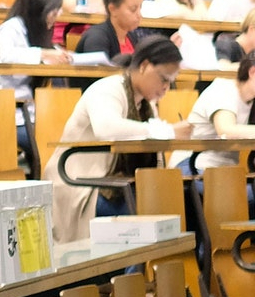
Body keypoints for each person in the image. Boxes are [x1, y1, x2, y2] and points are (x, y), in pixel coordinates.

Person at [43, 35, 191, 243]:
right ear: (145, 66)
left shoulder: (146, 104)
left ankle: (142, 274)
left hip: (117, 184)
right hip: (79, 186)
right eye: (163, 79)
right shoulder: (108, 89)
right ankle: (134, 274)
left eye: (170, 82)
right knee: (144, 220)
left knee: (183, 205)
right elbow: (107, 129)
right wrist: (166, 131)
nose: (166, 87)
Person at [0, 0, 71, 150]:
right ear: (37, 10)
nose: (54, 19)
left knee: (65, 135)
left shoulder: (36, 31)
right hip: (9, 112)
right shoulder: (10, 29)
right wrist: (43, 54)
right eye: (51, 13)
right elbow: (5, 57)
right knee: (47, 143)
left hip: (33, 112)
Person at [170, 51, 255, 175]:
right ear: (252, 72)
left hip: (225, 172)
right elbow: (226, 130)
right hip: (193, 164)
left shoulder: (251, 98)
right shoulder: (224, 88)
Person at [71, 0, 144, 91]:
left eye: (140, 8)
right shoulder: (97, 37)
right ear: (112, 9)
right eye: (133, 9)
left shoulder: (133, 38)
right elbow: (97, 82)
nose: (139, 15)